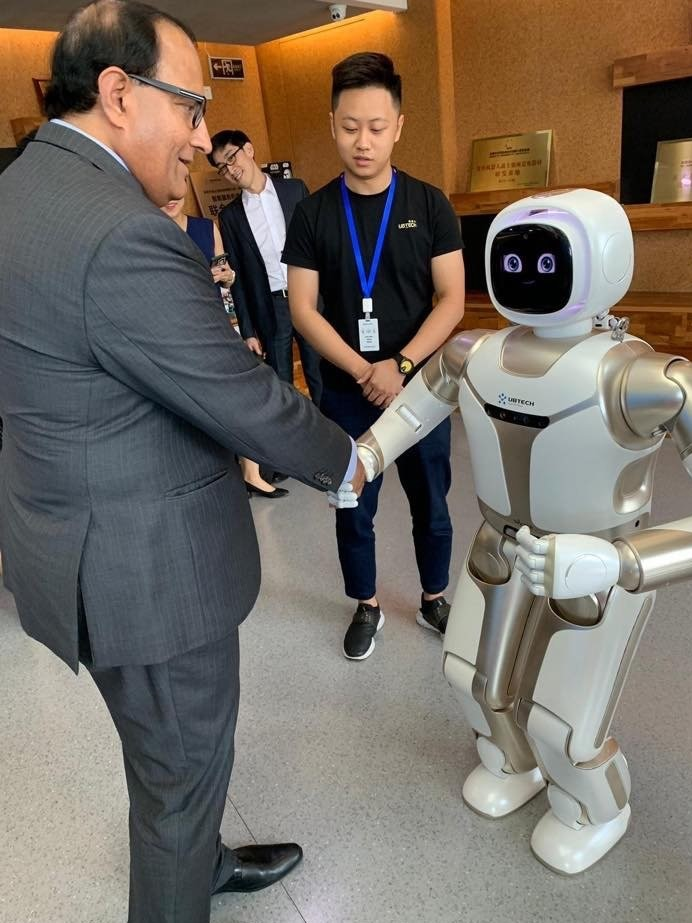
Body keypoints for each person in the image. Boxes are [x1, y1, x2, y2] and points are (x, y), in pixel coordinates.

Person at [0, 4, 363, 923]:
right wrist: (348, 461)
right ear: (119, 94)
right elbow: (243, 399)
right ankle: (182, 878)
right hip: (147, 573)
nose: (203, 139)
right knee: (178, 781)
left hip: (73, 539)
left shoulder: (19, 191)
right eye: (192, 108)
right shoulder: (123, 232)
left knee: (166, 766)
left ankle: (200, 860)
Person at [283, 52, 465, 661]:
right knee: (352, 506)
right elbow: (304, 309)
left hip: (421, 391)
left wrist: (402, 365)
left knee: (431, 504)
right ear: (332, 122)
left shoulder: (431, 203)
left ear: (399, 125)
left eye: (377, 127)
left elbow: (452, 300)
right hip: (345, 391)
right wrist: (365, 370)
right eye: (350, 126)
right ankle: (366, 604)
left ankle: (435, 597)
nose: (363, 141)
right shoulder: (311, 214)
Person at [160, 195, 289, 498]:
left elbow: (226, 276)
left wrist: (228, 277)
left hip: (218, 324)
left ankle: (251, 472)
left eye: (177, 194)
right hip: (178, 331)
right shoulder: (151, 231)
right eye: (165, 196)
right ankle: (224, 479)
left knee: (244, 396)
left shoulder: (206, 227)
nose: (172, 201)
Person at [210, 130, 323, 406]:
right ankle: (292, 439)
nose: (231, 170)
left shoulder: (295, 190)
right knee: (281, 382)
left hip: (308, 296)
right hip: (272, 307)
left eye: (231, 158)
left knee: (321, 373)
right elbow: (239, 279)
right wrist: (248, 330)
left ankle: (332, 437)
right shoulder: (231, 216)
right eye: (222, 168)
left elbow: (320, 246)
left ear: (248, 149)